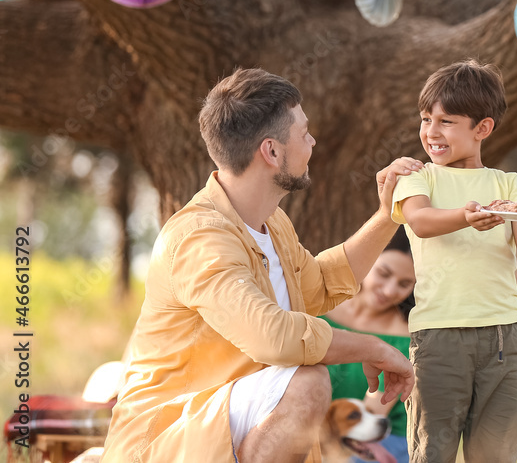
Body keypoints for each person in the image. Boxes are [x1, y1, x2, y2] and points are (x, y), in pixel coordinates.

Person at [102, 68, 423, 463]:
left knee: (303, 381)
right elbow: (272, 336)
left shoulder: (271, 223)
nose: (313, 141)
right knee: (307, 382)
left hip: (230, 424)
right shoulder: (199, 237)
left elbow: (319, 285)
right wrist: (371, 347)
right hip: (166, 440)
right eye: (304, 133)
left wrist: (388, 215)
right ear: (271, 152)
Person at [390, 59, 517, 463]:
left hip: (505, 337)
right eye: (425, 119)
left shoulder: (508, 184)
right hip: (439, 336)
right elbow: (419, 221)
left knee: (495, 454)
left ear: (482, 128)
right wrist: (465, 217)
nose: (431, 132)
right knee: (432, 450)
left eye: (447, 122)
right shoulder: (420, 177)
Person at [321, 227, 415, 463]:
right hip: (314, 428)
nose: (390, 290)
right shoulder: (318, 308)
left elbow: (373, 413)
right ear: (365, 262)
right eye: (383, 274)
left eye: (405, 284)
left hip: (377, 436)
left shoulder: (407, 337)